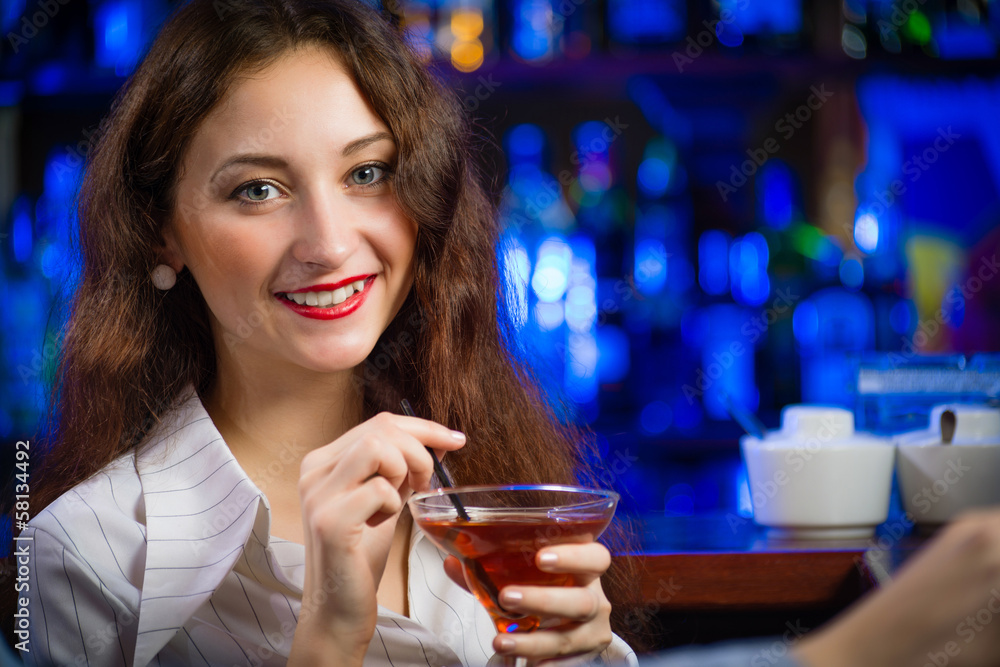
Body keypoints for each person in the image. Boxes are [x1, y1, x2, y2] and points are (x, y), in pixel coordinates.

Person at [13, 1, 1000, 666]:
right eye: (257, 189)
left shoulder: (487, 486)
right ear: (160, 236)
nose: (329, 240)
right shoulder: (87, 559)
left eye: (367, 174)